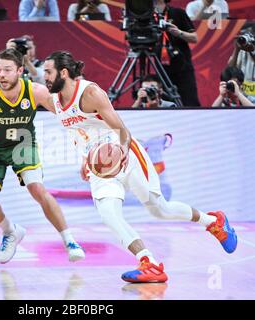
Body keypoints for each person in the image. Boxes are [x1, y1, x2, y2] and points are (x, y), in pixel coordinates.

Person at [42, 51, 237, 283]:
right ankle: (149, 262)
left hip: (125, 153)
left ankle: (213, 222)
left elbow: (122, 130)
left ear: (63, 73)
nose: (44, 77)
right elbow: (82, 131)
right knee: (108, 215)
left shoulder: (91, 93)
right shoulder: (53, 99)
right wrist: (88, 159)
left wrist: (121, 153)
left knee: (159, 209)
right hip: (100, 164)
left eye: (48, 72)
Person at [0, 48, 85, 264]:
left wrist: (86, 138)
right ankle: (10, 231)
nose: (2, 75)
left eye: (7, 70)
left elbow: (66, 116)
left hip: (22, 144)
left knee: (37, 188)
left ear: (20, 71)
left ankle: (69, 240)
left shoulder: (35, 91)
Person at [154, 0, 200, 107]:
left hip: (183, 67)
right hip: (162, 69)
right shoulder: (147, 17)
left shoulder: (178, 13)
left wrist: (179, 32)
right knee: (166, 105)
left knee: (190, 102)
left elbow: (194, 38)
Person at [227, 22, 255, 105]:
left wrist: (252, 50)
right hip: (244, 96)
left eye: (248, 35)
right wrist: (236, 50)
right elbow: (230, 69)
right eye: (243, 35)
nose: (245, 38)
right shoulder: (241, 50)